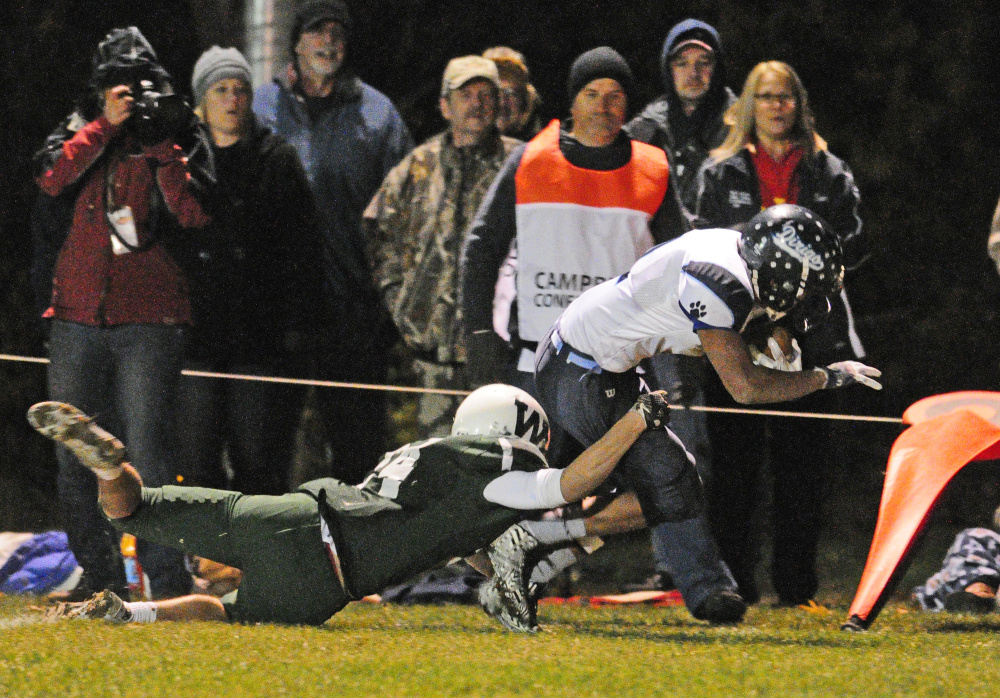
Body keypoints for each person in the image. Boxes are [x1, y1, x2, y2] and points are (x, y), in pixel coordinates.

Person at [502, 205, 881, 626]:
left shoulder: (741, 253)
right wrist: (827, 378)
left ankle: (539, 552)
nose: (806, 301)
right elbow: (746, 387)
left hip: (601, 364)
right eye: (803, 289)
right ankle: (534, 542)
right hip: (581, 369)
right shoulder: (718, 282)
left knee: (672, 483)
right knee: (668, 484)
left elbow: (752, 317)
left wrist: (776, 333)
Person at [30, 384, 671, 629]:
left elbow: (472, 545)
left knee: (132, 507)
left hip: (296, 517)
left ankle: (109, 466)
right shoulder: (501, 466)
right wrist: (636, 421)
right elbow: (570, 481)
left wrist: (506, 576)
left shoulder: (434, 458)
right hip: (325, 583)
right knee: (229, 615)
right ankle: (132, 615)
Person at [32, 27, 210, 600]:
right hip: (76, 318)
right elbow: (50, 178)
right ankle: (101, 577)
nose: (129, 93)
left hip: (150, 320)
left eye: (140, 83)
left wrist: (162, 147)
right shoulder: (82, 124)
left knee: (151, 453)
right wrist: (105, 124)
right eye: (117, 83)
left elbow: (195, 216)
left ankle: (166, 580)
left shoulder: (178, 130)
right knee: (74, 454)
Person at [461, 46, 690, 463]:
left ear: (627, 105)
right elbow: (482, 247)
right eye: (591, 93)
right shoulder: (529, 161)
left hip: (622, 370)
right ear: (572, 101)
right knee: (526, 490)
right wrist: (478, 331)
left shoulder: (653, 169)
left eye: (615, 95)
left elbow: (684, 263)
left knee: (625, 499)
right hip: (537, 368)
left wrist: (688, 346)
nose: (603, 106)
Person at [691, 61, 866, 606]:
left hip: (813, 336)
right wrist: (761, 322)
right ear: (748, 105)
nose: (774, 106)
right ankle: (733, 584)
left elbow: (854, 245)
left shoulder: (827, 170)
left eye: (784, 96)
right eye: (764, 96)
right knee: (734, 471)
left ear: (799, 103)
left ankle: (796, 589)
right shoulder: (719, 171)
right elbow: (702, 250)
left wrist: (793, 318)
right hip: (737, 335)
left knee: (802, 474)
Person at [253, 0, 413, 484]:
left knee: (358, 447)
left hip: (353, 309)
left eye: (338, 35)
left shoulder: (378, 114)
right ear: (297, 42)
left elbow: (404, 214)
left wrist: (390, 301)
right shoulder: (260, 106)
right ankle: (269, 552)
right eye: (318, 33)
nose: (328, 44)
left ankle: (356, 553)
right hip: (274, 309)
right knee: (266, 445)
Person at [173, 47, 324, 494]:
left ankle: (255, 559)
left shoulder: (277, 159)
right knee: (195, 458)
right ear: (202, 99)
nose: (232, 100)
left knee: (259, 459)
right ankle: (208, 556)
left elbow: (304, 250)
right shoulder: (177, 163)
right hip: (196, 335)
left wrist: (297, 328)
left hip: (260, 339)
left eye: (240, 90)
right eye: (221, 90)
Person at [624, 18, 737, 592]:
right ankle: (672, 565)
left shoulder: (739, 120)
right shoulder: (644, 127)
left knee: (718, 443)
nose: (694, 73)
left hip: (728, 300)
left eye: (704, 62)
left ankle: (717, 564)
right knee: (666, 431)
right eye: (683, 62)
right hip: (654, 301)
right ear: (668, 69)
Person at [365, 56, 521, 439]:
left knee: (498, 460)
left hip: (497, 353)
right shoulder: (419, 165)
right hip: (430, 356)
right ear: (444, 105)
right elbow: (376, 228)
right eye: (466, 94)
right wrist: (400, 300)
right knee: (433, 463)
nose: (477, 103)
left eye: (487, 94)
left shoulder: (521, 162)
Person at [482, 47, 543, 141]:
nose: (502, 102)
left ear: (525, 101)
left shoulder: (540, 150)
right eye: (494, 92)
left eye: (511, 93)